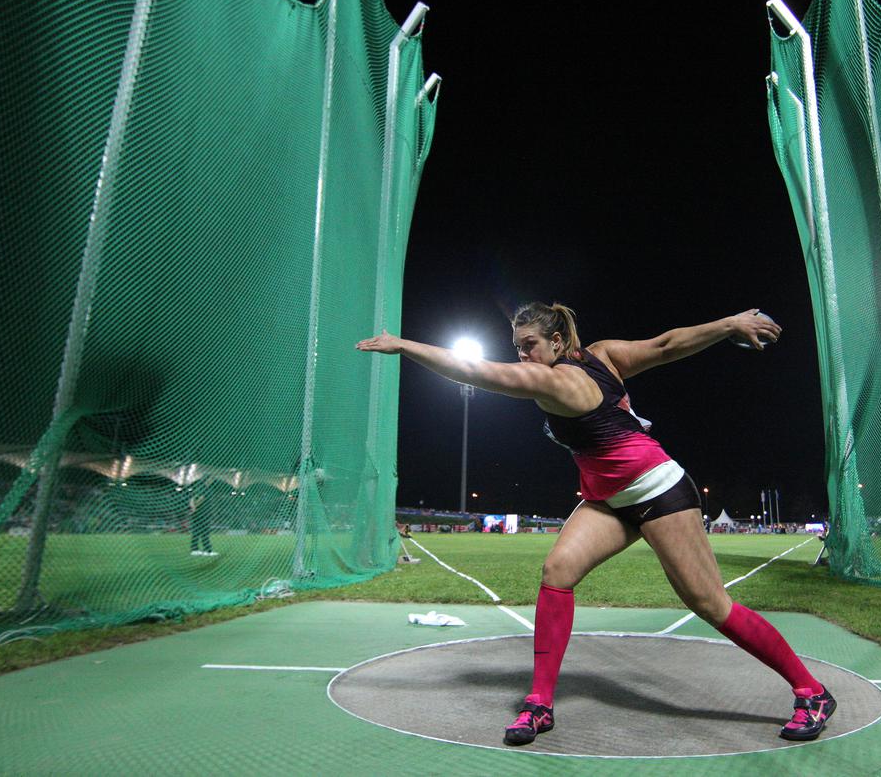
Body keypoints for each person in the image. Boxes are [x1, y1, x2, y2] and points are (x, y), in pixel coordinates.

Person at [356, 302, 834, 745]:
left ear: (559, 342)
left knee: (709, 603)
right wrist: (728, 325)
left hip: (657, 490)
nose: (522, 354)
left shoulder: (558, 381)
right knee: (557, 573)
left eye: (530, 345)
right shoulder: (602, 355)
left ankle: (811, 691)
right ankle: (540, 703)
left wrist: (404, 345)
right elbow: (667, 345)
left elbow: (476, 371)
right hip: (608, 499)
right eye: (517, 345)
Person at [189, 486, 216, 557]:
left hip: (195, 514)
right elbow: (201, 498)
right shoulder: (205, 490)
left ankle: (194, 549)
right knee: (204, 532)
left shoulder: (197, 489)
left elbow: (192, 500)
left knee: (196, 532)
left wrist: (193, 507)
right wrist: (196, 506)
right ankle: (207, 550)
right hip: (203, 515)